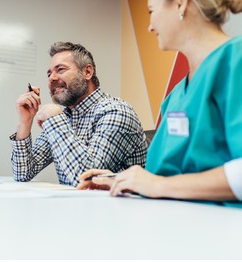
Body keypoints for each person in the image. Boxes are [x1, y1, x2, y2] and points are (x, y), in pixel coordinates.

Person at [78, 0, 242, 202]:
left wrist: (158, 185)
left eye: (151, 11)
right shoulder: (176, 96)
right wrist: (126, 182)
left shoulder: (236, 60)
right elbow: (170, 176)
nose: (150, 26)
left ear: (181, 4)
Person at [10, 42, 147, 186]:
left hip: (117, 207)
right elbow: (23, 173)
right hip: (79, 206)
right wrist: (25, 122)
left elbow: (86, 181)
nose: (51, 78)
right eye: (49, 73)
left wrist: (55, 119)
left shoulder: (116, 111)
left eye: (60, 69)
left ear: (87, 72)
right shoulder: (64, 116)